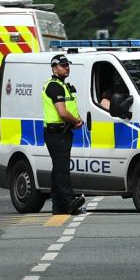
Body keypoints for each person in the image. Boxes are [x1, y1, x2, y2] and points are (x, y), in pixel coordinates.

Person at [42, 54, 85, 215]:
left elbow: (70, 108)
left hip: (63, 132)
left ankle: (58, 205)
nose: (67, 67)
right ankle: (69, 201)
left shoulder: (63, 85)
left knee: (58, 169)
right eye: (63, 65)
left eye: (68, 65)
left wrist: (75, 119)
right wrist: (75, 121)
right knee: (62, 169)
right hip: (56, 132)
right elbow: (62, 112)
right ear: (54, 68)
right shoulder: (54, 86)